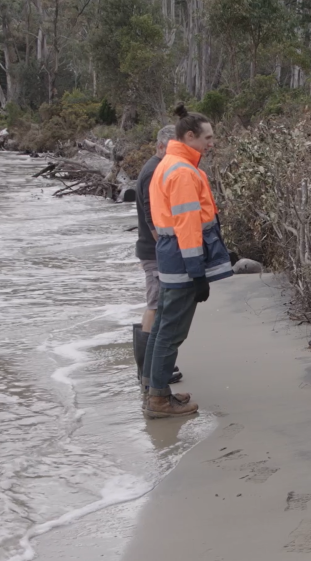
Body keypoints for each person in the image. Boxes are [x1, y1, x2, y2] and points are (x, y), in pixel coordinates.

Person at [142, 104, 233, 418]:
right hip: (181, 262)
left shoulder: (168, 163)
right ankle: (158, 401)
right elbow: (187, 225)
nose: (211, 143)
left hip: (170, 258)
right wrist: (197, 273)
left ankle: (154, 390)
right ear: (190, 136)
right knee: (171, 332)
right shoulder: (181, 171)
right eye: (207, 138)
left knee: (162, 327)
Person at [132, 126, 183, 388]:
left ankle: (150, 369)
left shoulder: (156, 167)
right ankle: (148, 371)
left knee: (157, 305)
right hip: (154, 252)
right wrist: (170, 252)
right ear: (161, 146)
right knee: (155, 306)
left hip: (153, 250)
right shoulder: (154, 170)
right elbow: (154, 221)